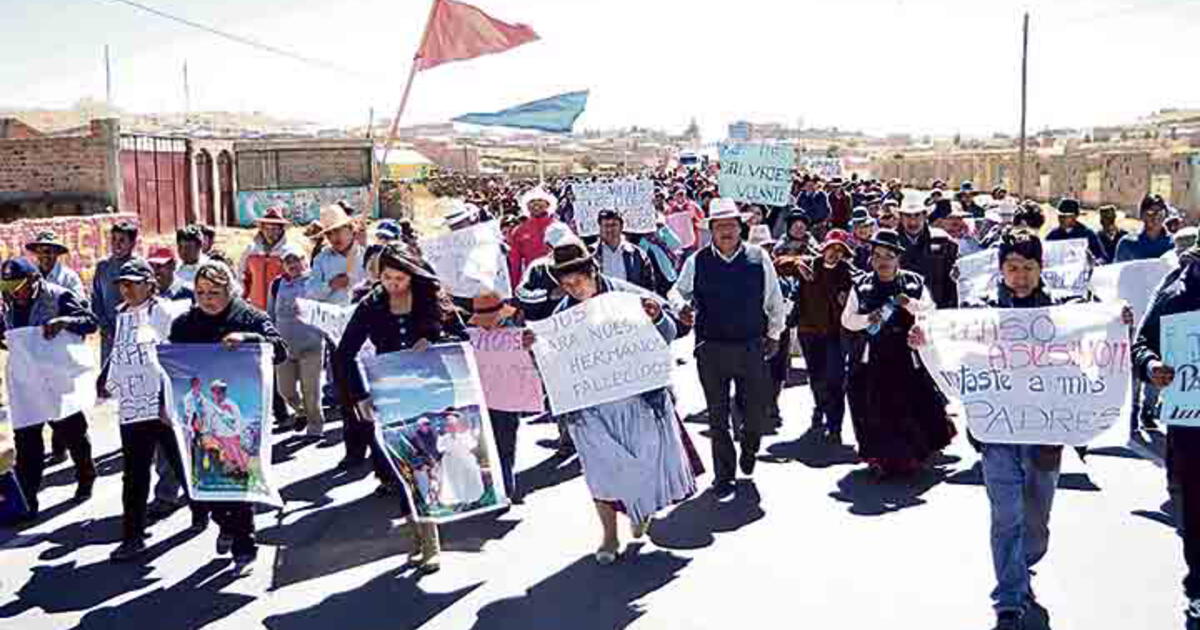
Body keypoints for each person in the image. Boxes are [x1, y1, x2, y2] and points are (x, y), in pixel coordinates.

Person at [929, 229, 1113, 630]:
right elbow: (957, 359)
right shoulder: (979, 312)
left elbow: (1089, 354)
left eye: (1028, 267)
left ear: (1041, 268)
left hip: (1045, 435)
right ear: (1000, 270)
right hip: (997, 435)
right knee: (1005, 515)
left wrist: (1116, 323)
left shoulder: (1063, 313)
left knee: (1036, 520)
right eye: (1013, 268)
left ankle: (1021, 565)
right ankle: (1009, 596)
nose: (1021, 276)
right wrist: (925, 342)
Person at [524, 240, 696, 564]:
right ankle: (609, 536)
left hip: (638, 403)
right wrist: (535, 349)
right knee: (600, 473)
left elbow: (670, 333)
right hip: (591, 410)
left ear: (593, 271)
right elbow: (553, 369)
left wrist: (657, 316)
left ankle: (639, 509)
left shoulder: (627, 296)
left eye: (578, 281)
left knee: (643, 463)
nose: (574, 289)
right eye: (566, 285)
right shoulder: (562, 318)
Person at [334, 244, 468, 573]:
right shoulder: (371, 305)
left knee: (428, 463)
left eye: (399, 278)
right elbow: (344, 353)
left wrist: (433, 342)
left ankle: (431, 539)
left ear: (412, 274)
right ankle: (417, 537)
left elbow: (463, 338)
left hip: (431, 393)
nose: (392, 284)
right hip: (390, 395)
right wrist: (358, 396)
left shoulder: (431, 298)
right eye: (386, 277)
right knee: (402, 469)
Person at [168, 260, 287, 575]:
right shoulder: (184, 325)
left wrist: (248, 340)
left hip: (240, 412)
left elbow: (280, 349)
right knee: (204, 484)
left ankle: (245, 547)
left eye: (215, 292)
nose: (207, 299)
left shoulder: (250, 317)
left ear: (230, 290)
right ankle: (226, 525)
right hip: (198, 419)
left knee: (236, 480)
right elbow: (172, 371)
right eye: (201, 292)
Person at [670, 199, 788, 496]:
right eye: (720, 226)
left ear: (741, 228)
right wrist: (681, 306)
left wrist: (775, 334)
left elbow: (774, 301)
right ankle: (724, 474)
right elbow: (675, 291)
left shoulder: (758, 258)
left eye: (731, 225)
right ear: (711, 229)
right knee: (717, 414)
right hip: (711, 348)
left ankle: (750, 446)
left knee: (755, 411)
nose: (726, 231)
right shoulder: (697, 261)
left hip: (751, 347)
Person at [840, 229, 953, 478]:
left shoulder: (914, 282)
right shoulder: (862, 285)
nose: (883, 261)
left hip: (907, 355)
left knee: (911, 406)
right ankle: (878, 459)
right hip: (873, 358)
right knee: (873, 410)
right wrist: (869, 318)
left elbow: (930, 311)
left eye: (888, 256)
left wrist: (909, 305)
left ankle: (911, 457)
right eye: (877, 255)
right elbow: (848, 320)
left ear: (898, 258)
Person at [1131, 242, 1200, 630]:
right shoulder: (1176, 293)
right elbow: (1142, 344)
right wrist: (1152, 365)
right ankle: (1199, 591)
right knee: (1195, 512)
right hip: (1192, 430)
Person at [1, 258, 99, 519]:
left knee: (73, 433)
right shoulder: (7, 303)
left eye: (18, 286)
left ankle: (86, 474)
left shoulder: (58, 296)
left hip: (58, 381)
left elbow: (91, 322)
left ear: (34, 281)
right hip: (27, 384)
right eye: (8, 287)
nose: (13, 292)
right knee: (28, 444)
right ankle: (27, 502)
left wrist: (64, 321)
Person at [105, 258, 190, 561]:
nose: (125, 289)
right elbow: (122, 352)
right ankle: (133, 536)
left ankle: (205, 512)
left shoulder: (163, 313)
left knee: (182, 463)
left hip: (163, 403)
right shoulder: (121, 315)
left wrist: (170, 403)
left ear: (150, 286)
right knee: (134, 472)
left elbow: (175, 356)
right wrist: (109, 377)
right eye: (122, 284)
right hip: (132, 405)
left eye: (132, 283)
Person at [778, 229, 858, 442]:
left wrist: (848, 297)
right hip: (809, 331)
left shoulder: (847, 271)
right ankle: (820, 406)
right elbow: (777, 263)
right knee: (816, 376)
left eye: (840, 250)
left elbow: (863, 286)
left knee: (836, 379)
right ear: (824, 248)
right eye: (832, 248)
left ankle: (835, 427)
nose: (835, 253)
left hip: (835, 334)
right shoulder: (810, 263)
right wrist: (796, 264)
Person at [466, 291, 525, 502]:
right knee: (480, 445)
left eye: (492, 320)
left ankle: (506, 489)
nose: (488, 325)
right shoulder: (469, 337)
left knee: (505, 444)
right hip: (480, 399)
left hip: (507, 400)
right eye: (484, 321)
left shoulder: (516, 333)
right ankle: (487, 488)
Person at [268, 245, 325, 438]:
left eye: (296, 259)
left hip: (311, 344)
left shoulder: (314, 282)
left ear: (305, 261)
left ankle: (315, 427)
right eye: (288, 261)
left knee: (311, 390)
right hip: (284, 347)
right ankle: (300, 411)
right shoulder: (277, 284)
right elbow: (270, 314)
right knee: (285, 390)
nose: (292, 264)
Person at [93, 220, 139, 373]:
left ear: (132, 243)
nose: (116, 245)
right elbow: (97, 299)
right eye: (113, 240)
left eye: (122, 241)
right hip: (109, 334)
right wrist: (104, 325)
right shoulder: (103, 267)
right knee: (110, 379)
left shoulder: (140, 268)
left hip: (134, 333)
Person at [897, 203, 960, 308]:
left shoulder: (942, 239)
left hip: (938, 308)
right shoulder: (891, 242)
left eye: (917, 215)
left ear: (925, 216)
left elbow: (954, 277)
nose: (913, 221)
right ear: (901, 217)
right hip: (901, 309)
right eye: (907, 216)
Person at [307, 203, 366, 306]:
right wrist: (330, 285)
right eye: (329, 233)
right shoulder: (321, 260)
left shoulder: (367, 256)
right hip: (332, 319)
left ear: (350, 228)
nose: (334, 237)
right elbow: (310, 293)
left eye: (337, 230)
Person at [594, 209, 659, 293]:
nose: (609, 230)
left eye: (614, 225)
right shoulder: (592, 254)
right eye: (606, 225)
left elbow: (649, 287)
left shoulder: (638, 255)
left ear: (621, 227)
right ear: (600, 228)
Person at [507, 186, 561, 287]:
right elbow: (514, 263)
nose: (536, 204)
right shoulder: (518, 231)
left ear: (548, 204)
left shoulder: (559, 227)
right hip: (532, 281)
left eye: (540, 200)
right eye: (532, 201)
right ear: (526, 206)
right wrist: (515, 286)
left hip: (558, 280)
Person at [240, 207, 291, 310]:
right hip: (256, 308)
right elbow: (242, 276)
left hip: (282, 309)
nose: (270, 233)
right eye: (266, 229)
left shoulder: (290, 252)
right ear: (261, 229)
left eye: (274, 229)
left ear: (281, 230)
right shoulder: (251, 251)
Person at [25, 230, 85, 298]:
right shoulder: (31, 275)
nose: (44, 255)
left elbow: (80, 304)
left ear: (57, 253)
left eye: (47, 251)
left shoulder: (69, 277)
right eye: (39, 252)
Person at [1116, 194, 1174, 263]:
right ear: (1142, 215)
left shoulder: (1174, 244)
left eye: (1160, 213)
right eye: (1150, 213)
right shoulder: (1127, 244)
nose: (1156, 217)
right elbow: (1118, 270)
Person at [1045, 198, 1106, 263]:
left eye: (1065, 216)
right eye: (1060, 216)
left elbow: (1102, 258)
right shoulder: (1052, 236)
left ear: (1075, 216)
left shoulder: (1087, 234)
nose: (1061, 219)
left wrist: (1094, 262)